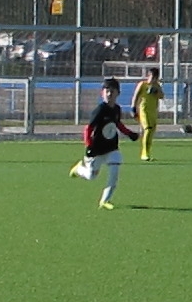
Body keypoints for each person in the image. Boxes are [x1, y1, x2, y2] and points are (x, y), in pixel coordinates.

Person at [70, 78, 138, 209]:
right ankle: (78, 169)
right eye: (107, 91)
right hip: (97, 149)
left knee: (114, 174)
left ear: (118, 93)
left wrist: (129, 133)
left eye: (112, 91)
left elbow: (117, 124)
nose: (109, 94)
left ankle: (105, 201)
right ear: (102, 93)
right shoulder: (100, 110)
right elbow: (88, 129)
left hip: (112, 148)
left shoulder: (117, 109)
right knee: (91, 176)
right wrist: (88, 145)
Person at [130, 67, 164, 160]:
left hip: (153, 111)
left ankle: (147, 152)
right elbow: (135, 96)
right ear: (148, 76)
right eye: (152, 77)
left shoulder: (157, 86)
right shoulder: (142, 84)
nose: (154, 80)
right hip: (144, 110)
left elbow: (161, 96)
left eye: (156, 78)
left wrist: (156, 91)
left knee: (151, 131)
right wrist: (133, 108)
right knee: (148, 129)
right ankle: (144, 154)